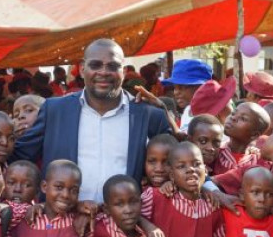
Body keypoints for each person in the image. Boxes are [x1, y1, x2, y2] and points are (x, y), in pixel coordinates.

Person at [13, 39, 171, 203]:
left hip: (122, 224)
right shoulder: (55, 110)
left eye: (112, 66)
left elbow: (176, 161)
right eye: (95, 65)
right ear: (82, 69)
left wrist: (168, 115)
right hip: (63, 222)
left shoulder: (148, 115)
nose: (103, 72)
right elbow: (19, 156)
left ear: (123, 71)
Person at [215, 102, 269, 175]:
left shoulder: (258, 161)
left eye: (243, 119)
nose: (233, 118)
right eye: (233, 113)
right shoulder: (215, 153)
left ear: (254, 134)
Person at [161, 59, 213, 131]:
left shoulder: (212, 115)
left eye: (181, 87)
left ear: (201, 87)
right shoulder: (188, 110)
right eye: (175, 88)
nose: (176, 92)